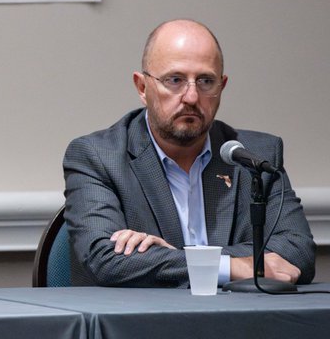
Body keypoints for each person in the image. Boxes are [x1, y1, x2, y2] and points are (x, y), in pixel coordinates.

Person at [63, 18, 316, 287]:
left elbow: (297, 252)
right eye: (175, 80)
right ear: (142, 87)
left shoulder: (256, 156)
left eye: (206, 81)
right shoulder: (98, 156)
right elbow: (105, 260)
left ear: (222, 86)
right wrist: (232, 266)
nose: (192, 97)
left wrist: (171, 258)